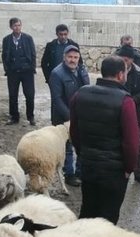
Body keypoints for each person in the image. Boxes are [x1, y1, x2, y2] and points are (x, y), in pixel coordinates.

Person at [69, 56, 139, 224]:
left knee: (88, 212)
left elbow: (74, 131)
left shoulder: (80, 94)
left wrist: (83, 154)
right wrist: (129, 168)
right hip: (114, 171)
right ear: (120, 74)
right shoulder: (125, 101)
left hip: (88, 166)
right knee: (108, 217)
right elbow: (131, 142)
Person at [49, 45, 89, 187]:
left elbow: (87, 90)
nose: (73, 60)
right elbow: (57, 99)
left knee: (81, 145)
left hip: (81, 115)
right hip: (63, 117)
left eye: (75, 57)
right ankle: (69, 174)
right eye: (70, 57)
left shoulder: (82, 70)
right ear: (64, 57)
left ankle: (80, 172)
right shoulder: (56, 73)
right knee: (67, 147)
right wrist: (69, 118)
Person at [116, 45, 140, 185]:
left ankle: (139, 174)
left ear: (132, 59)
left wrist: (131, 101)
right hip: (116, 112)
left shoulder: (139, 72)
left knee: (138, 144)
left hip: (135, 113)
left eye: (127, 59)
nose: (124, 63)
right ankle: (119, 172)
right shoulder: (114, 69)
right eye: (122, 59)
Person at [2, 17, 37, 126]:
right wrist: (7, 69)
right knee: (13, 95)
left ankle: (30, 116)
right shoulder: (7, 39)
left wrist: (32, 68)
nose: (17, 27)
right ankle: (14, 117)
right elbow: (4, 55)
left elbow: (33, 54)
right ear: (11, 27)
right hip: (13, 72)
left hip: (27, 72)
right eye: (15, 25)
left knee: (30, 95)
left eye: (19, 25)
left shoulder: (28, 38)